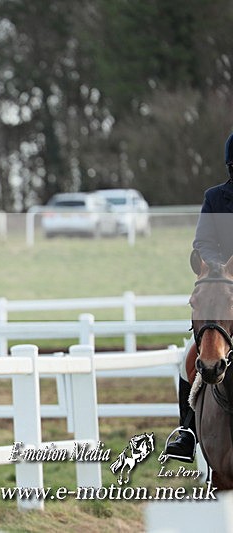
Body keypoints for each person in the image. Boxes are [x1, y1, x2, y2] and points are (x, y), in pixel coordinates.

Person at [162, 131, 233, 462]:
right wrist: (218, 267)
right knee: (186, 361)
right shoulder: (215, 197)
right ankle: (187, 433)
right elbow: (202, 241)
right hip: (222, 283)